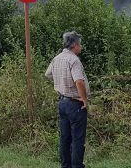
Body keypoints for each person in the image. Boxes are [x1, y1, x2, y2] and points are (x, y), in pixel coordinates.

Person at [45, 31, 89, 168]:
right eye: (80, 44)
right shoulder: (73, 60)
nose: (81, 47)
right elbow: (79, 82)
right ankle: (77, 166)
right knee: (77, 139)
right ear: (75, 45)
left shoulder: (57, 58)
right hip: (75, 104)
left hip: (62, 103)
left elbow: (48, 74)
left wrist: (60, 82)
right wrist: (84, 99)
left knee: (65, 138)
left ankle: (66, 165)